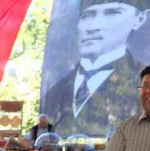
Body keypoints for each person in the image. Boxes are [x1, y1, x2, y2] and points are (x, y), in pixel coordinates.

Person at [42, 0, 149, 136]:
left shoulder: (142, 83)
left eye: (112, 13)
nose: (92, 27)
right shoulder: (56, 90)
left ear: (139, 19)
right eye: (87, 16)